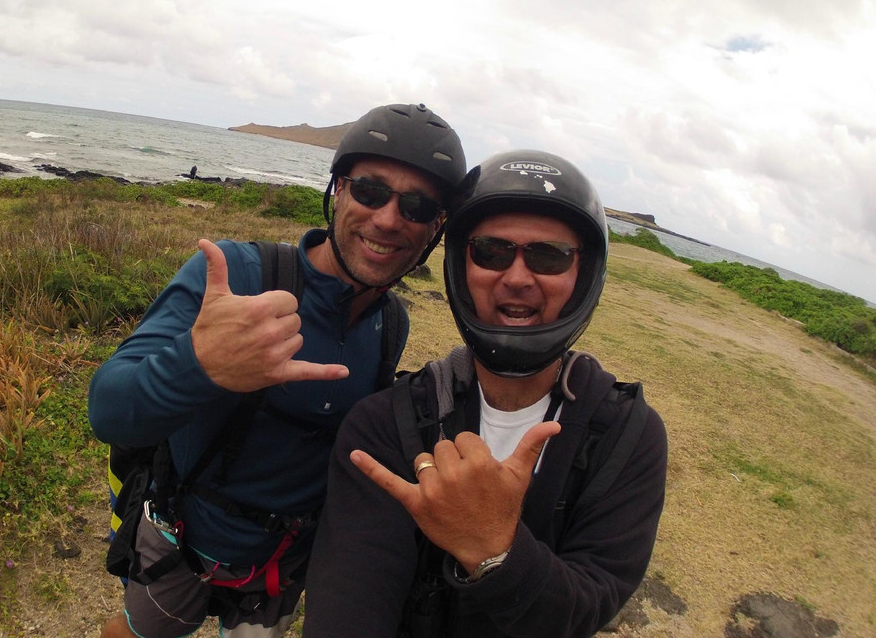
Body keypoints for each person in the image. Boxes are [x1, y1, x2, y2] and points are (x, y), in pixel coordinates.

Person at [88, 103, 466, 638]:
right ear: (337, 190)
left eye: (417, 205)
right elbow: (107, 409)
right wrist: (197, 365)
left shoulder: (391, 323)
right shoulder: (239, 275)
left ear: (436, 228)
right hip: (183, 538)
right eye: (370, 190)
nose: (387, 218)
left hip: (282, 563)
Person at [304, 150, 669, 638]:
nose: (517, 278)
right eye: (492, 252)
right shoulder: (387, 423)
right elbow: (348, 612)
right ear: (460, 266)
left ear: (583, 275)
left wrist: (496, 552)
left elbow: (589, 605)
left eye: (549, 256)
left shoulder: (626, 434)